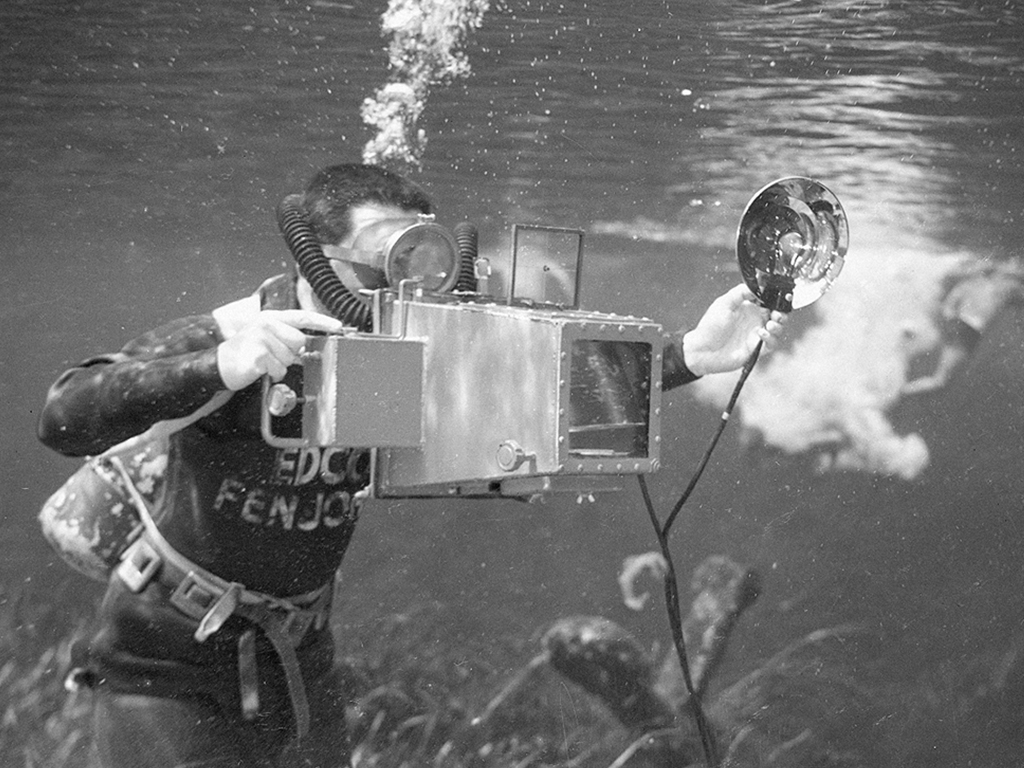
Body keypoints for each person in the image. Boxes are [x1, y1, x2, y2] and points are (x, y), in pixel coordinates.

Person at [37, 163, 786, 768]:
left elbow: (535, 399)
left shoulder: (407, 345)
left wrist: (691, 355)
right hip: (162, 668)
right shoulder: (243, 333)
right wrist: (221, 365)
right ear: (314, 261)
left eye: (414, 274)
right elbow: (66, 412)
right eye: (377, 272)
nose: (397, 303)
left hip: (296, 661)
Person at [901, 262, 1024, 396]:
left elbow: (949, 306)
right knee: (939, 380)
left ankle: (911, 331)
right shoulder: (1004, 287)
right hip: (968, 330)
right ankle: (900, 392)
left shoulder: (972, 283)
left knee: (930, 341)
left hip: (957, 323)